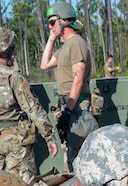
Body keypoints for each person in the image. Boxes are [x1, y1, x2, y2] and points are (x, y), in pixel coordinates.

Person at [0, 27, 58, 183]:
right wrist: (49, 138)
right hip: (17, 143)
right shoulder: (14, 78)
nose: (14, 53)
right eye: (11, 49)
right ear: (3, 51)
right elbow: (34, 110)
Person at [39, 2, 99, 169]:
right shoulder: (65, 46)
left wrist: (68, 111)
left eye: (52, 22)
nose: (50, 27)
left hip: (77, 104)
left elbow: (78, 80)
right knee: (71, 150)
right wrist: (51, 38)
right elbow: (44, 65)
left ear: (64, 20)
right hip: (68, 104)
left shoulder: (77, 43)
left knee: (80, 151)